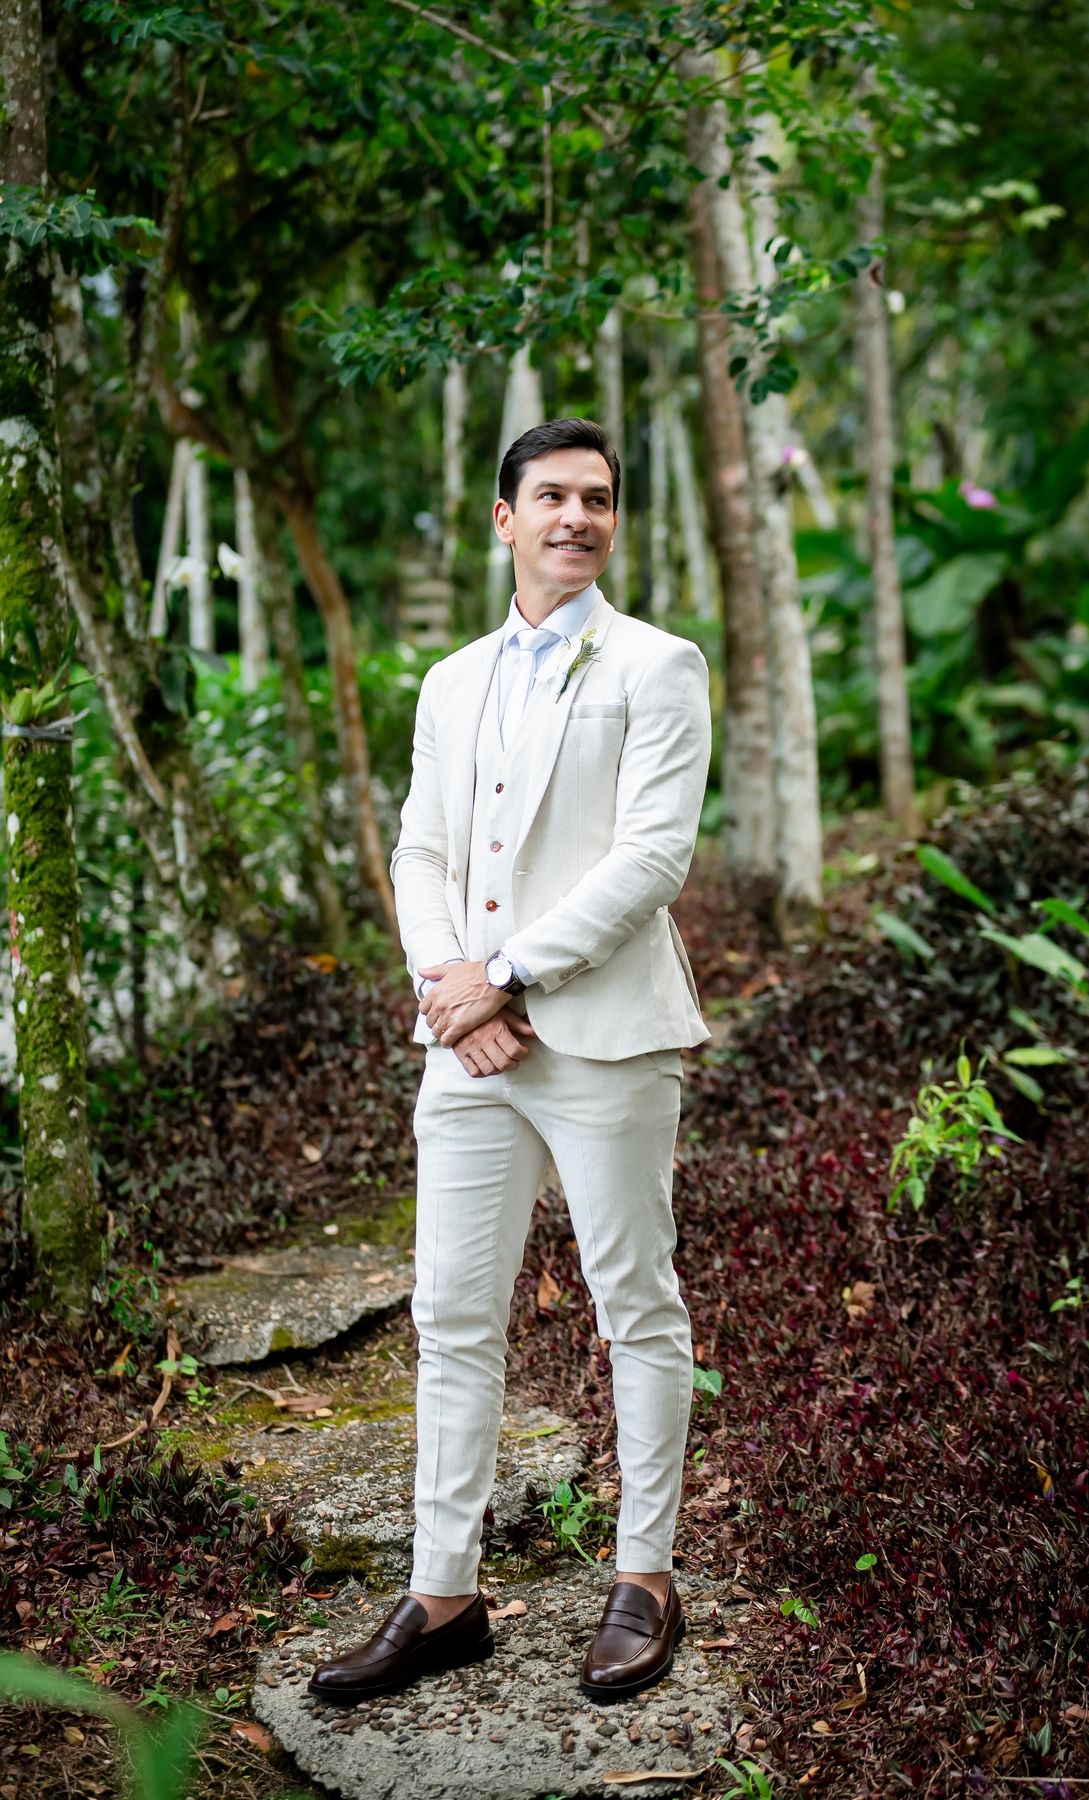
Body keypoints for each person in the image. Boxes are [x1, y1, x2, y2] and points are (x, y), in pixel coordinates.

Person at [309, 415, 710, 1707]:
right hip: (470, 1046)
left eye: (598, 498)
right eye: (552, 497)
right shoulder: (452, 679)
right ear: (506, 518)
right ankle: (443, 1594)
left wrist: (511, 976)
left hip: (605, 1038)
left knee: (633, 1305)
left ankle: (645, 1578)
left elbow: (654, 857)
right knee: (452, 1315)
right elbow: (422, 851)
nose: (577, 517)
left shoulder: (658, 665)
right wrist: (450, 989)